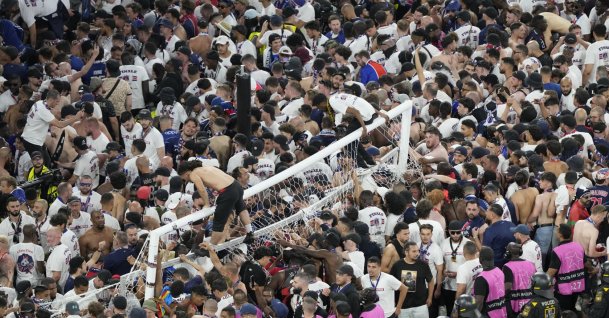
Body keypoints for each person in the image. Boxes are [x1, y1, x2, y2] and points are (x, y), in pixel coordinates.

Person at [178, 161, 253, 245]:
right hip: (236, 185)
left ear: (186, 173)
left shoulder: (193, 174)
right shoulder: (205, 167)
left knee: (218, 223)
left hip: (227, 191)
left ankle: (210, 247)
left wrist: (206, 204)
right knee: (241, 208)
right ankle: (250, 233)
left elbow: (201, 189)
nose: (185, 181)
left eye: (183, 178)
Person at [390, 241, 434, 318]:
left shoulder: (423, 265)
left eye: (418, 251)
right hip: (403, 306)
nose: (417, 253)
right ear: (406, 252)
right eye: (414, 251)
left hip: (421, 305)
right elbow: (391, 285)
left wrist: (430, 297)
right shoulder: (397, 265)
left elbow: (430, 281)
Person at [547, 224, 585, 312]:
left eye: (557, 230)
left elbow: (551, 272)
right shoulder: (578, 246)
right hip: (578, 285)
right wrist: (593, 269)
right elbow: (585, 263)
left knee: (563, 311)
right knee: (573, 309)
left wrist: (543, 280)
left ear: (560, 234)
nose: (556, 232)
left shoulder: (557, 250)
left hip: (563, 288)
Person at [442, 221, 471, 314]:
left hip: (463, 286)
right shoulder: (443, 243)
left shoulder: (468, 243)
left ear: (462, 231)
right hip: (448, 285)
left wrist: (458, 274)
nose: (455, 235)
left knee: (463, 312)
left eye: (458, 232)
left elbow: (472, 264)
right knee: (450, 311)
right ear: (448, 231)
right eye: (452, 232)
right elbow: (441, 262)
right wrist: (443, 271)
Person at [472, 247, 507, 317]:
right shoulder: (499, 271)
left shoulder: (481, 278)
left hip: (488, 314)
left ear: (480, 260)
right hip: (502, 312)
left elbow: (479, 303)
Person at [503, 242, 536, 316]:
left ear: (508, 253)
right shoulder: (531, 264)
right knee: (527, 316)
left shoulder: (507, 267)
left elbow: (507, 287)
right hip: (530, 303)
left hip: (515, 304)